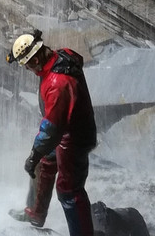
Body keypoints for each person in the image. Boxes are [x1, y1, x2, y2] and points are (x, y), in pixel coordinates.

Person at [7, 29, 97, 236]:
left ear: (36, 59)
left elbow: (51, 130)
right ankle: (35, 214)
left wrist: (33, 154)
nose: (28, 69)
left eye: (28, 65)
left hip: (72, 138)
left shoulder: (57, 84)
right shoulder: (63, 55)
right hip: (67, 129)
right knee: (43, 165)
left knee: (68, 190)